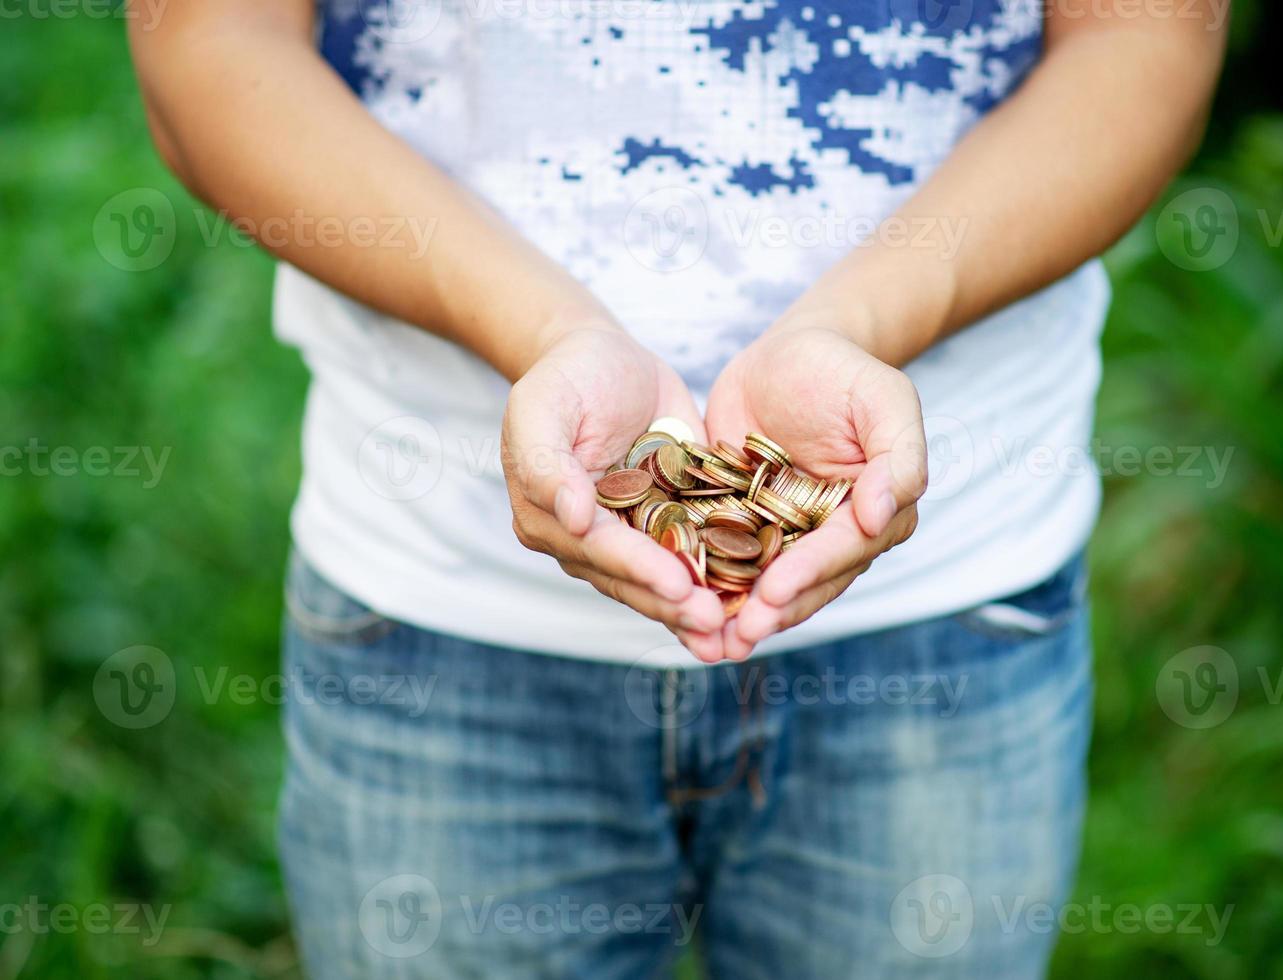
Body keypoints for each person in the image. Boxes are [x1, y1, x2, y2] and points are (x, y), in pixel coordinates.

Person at [129, 0, 1226, 975]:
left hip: (948, 591)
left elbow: (1149, 41)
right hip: (438, 592)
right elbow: (210, 39)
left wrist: (858, 323)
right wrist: (546, 330)